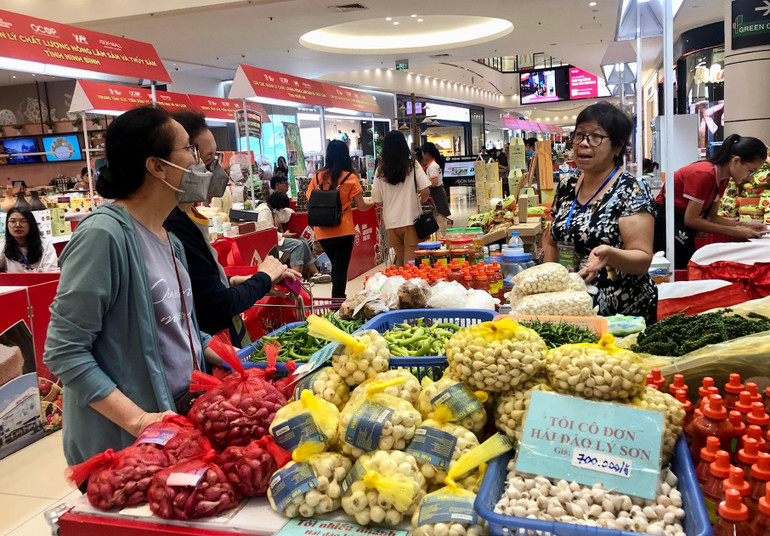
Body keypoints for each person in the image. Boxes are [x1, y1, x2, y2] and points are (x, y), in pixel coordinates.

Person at [42, 107, 295, 467]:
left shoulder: (169, 238)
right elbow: (64, 352)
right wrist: (139, 420)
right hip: (126, 444)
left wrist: (244, 364)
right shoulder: (104, 236)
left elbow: (184, 332)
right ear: (157, 166)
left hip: (177, 423)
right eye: (190, 151)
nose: (200, 164)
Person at [163, 111, 300, 347]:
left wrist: (237, 280)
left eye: (215, 160)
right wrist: (263, 278)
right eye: (206, 161)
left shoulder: (187, 218)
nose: (216, 171)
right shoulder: (169, 227)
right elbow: (216, 306)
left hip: (209, 345)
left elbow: (199, 289)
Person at [544, 102, 657, 324]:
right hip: (572, 304)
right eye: (579, 135)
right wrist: (552, 285)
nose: (584, 144)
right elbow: (551, 239)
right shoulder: (567, 185)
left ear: (617, 147)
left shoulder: (630, 190)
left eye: (596, 137)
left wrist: (611, 255)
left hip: (620, 312)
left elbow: (642, 259)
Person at [653, 134, 767, 269]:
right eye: (751, 171)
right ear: (736, 161)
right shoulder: (704, 174)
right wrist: (737, 232)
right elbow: (691, 220)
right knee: (674, 269)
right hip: (665, 224)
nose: (750, 178)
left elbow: (712, 217)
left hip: (679, 225)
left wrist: (744, 224)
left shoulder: (723, 179)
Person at [307, 140, 373, 297]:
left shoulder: (317, 177)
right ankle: (336, 304)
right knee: (340, 270)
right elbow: (362, 206)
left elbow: (311, 199)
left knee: (337, 267)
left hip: (323, 231)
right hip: (343, 230)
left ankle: (337, 301)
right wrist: (375, 201)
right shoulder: (350, 178)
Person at [372, 131, 430, 267]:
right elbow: (425, 190)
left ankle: (399, 286)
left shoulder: (380, 170)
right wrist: (419, 202)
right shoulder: (412, 166)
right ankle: (408, 287)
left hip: (391, 222)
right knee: (410, 263)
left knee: (399, 260)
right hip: (410, 219)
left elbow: (377, 199)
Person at [255, 191, 329, 283]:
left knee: (303, 242)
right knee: (297, 244)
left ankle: (316, 273)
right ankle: (295, 277)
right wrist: (282, 235)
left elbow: (288, 213)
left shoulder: (270, 209)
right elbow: (264, 233)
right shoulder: (264, 212)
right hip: (269, 243)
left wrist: (274, 214)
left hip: (275, 239)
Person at [0, 206, 59, 272]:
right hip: (14, 282)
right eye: (13, 221)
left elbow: (51, 273)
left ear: (31, 224)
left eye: (23, 221)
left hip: (41, 282)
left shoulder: (46, 246)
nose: (18, 225)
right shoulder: (4, 247)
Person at [419, 142, 451, 235]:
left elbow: (434, 182)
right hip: (437, 192)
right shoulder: (433, 164)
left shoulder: (432, 166)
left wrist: (423, 185)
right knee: (439, 218)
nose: (422, 155)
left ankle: (443, 238)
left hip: (436, 193)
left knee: (440, 218)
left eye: (422, 153)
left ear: (427, 154)